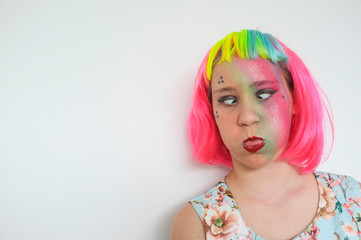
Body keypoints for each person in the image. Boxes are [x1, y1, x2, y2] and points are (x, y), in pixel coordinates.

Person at [170, 29, 361, 240]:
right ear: (211, 112)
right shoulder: (197, 224)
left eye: (263, 94)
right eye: (229, 100)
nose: (248, 117)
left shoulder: (352, 199)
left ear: (295, 99)